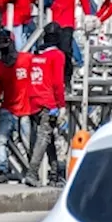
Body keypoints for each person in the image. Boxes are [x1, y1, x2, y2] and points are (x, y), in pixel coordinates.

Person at [26, 24, 67, 187]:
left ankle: (55, 173)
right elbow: (57, 82)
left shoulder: (35, 55)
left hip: (33, 99)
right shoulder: (57, 55)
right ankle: (32, 172)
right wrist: (61, 105)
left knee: (48, 136)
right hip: (47, 101)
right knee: (44, 136)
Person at [0, 29, 32, 184]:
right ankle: (2, 169)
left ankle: (31, 170)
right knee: (1, 140)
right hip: (8, 107)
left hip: (26, 108)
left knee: (27, 142)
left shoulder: (26, 60)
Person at [45, 0, 91, 88]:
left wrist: (88, 14)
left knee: (65, 51)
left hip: (66, 21)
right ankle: (52, 81)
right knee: (50, 51)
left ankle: (66, 80)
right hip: (50, 20)